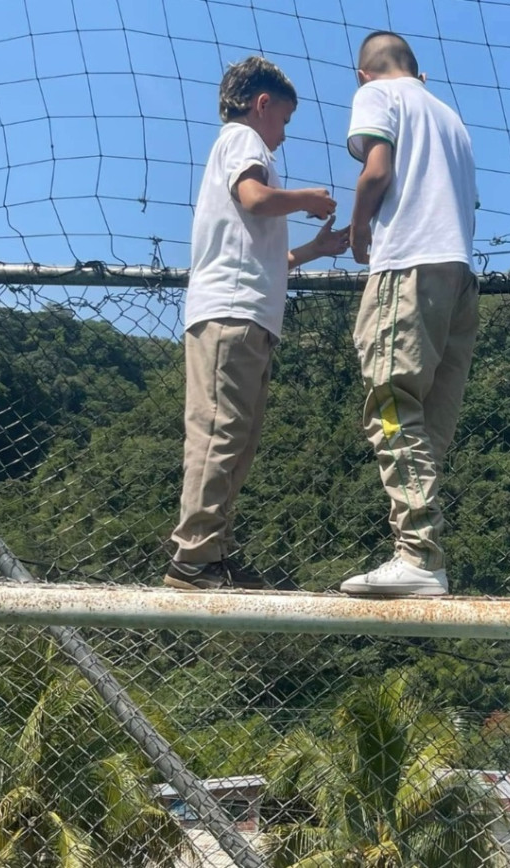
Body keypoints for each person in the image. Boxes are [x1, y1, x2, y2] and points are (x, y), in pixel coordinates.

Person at [165, 55, 349, 591]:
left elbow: (267, 257)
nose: (284, 136)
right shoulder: (243, 140)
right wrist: (307, 199)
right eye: (285, 121)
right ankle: (192, 559)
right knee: (221, 433)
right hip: (230, 312)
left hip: (245, 313)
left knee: (236, 438)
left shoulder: (244, 148)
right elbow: (254, 198)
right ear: (261, 104)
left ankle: (211, 554)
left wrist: (314, 248)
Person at [340, 31, 479, 597]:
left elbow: (377, 169)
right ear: (418, 71)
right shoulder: (451, 118)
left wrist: (358, 227)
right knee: (426, 424)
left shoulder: (379, 95)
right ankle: (423, 551)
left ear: (363, 74)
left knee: (392, 404)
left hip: (408, 267)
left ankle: (418, 554)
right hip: (459, 275)